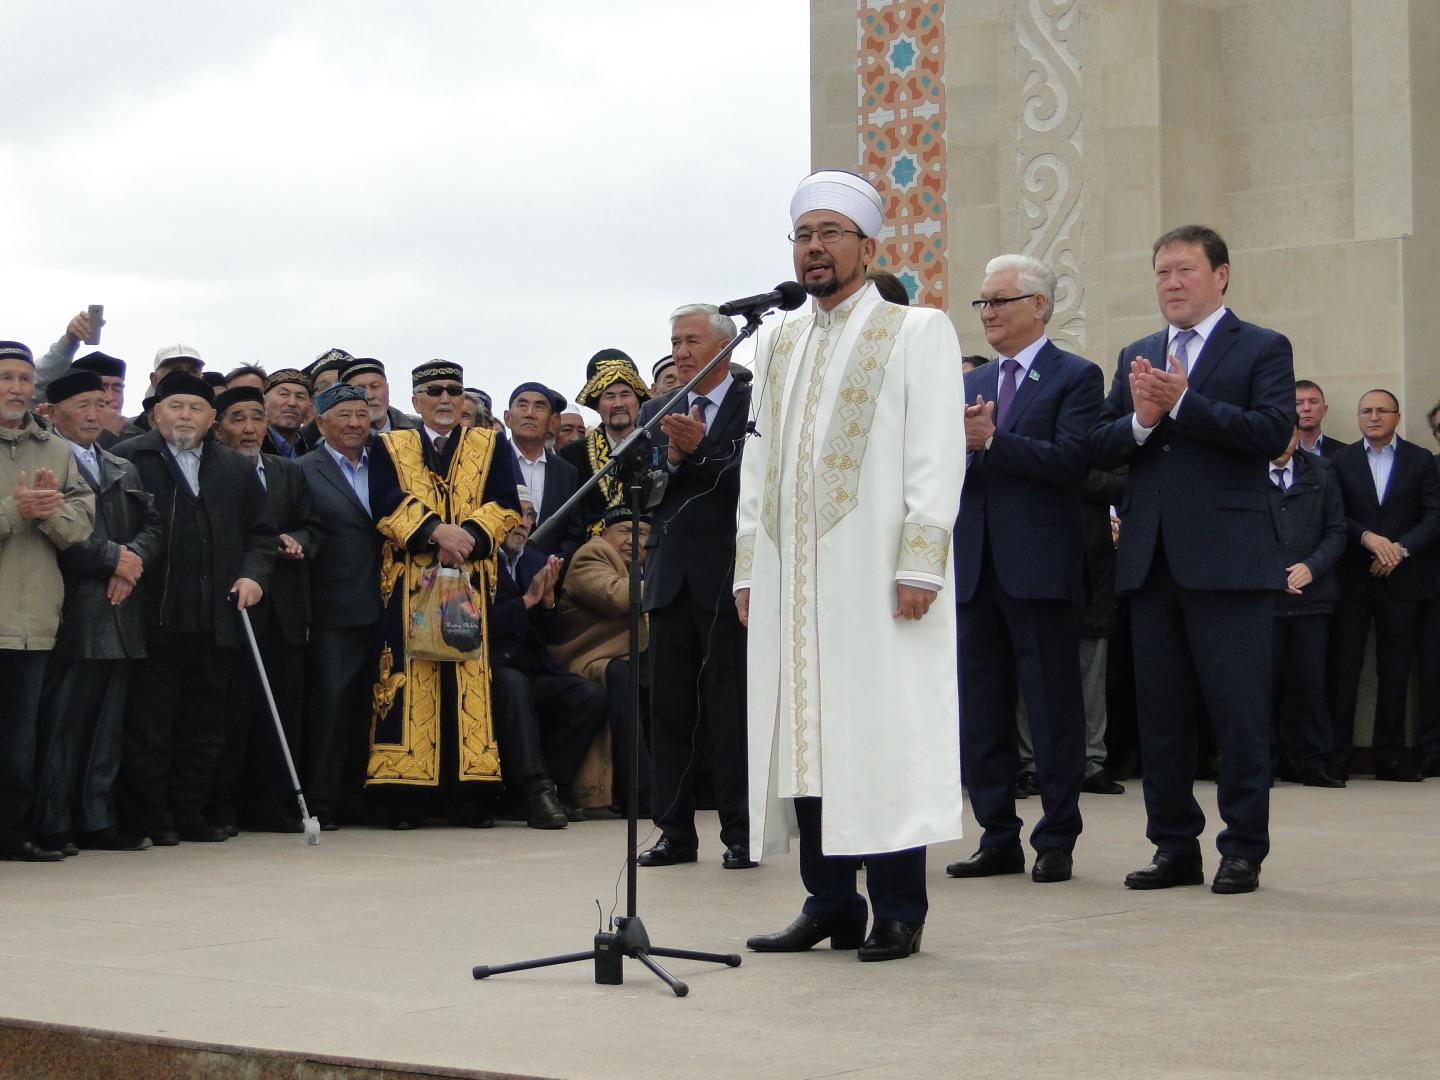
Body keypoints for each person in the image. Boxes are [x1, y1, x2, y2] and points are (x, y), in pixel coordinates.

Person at [737, 170, 966, 963]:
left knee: (880, 734)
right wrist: (747, 569)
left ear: (867, 247)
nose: (815, 248)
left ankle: (901, 906)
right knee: (805, 735)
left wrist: (922, 563)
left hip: (878, 578)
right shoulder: (776, 339)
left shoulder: (917, 330)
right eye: (804, 235)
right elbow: (756, 465)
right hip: (790, 580)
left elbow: (937, 457)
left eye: (831, 233)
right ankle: (830, 902)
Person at [1089, 224, 1294, 895]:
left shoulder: (1261, 347)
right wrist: (1143, 420)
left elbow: (1269, 432)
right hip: (1152, 563)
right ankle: (1173, 845)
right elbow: (1106, 443)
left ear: (1221, 275)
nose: (1172, 284)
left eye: (1185, 270)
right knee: (1163, 715)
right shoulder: (1138, 352)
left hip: (1231, 562)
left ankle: (1242, 848)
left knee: (1237, 713)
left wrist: (1186, 404)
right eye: (1161, 273)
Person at [945, 254, 1102, 886]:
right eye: (983, 302)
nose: (988, 313)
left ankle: (1057, 836)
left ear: (1039, 306)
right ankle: (996, 834)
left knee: (1051, 709)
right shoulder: (967, 387)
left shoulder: (1076, 377)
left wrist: (995, 444)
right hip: (975, 567)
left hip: (1040, 568)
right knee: (982, 711)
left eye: (1001, 301)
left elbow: (1074, 461)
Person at [110, 371, 276, 846]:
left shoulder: (234, 468)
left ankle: (190, 811)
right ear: (156, 412)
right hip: (154, 617)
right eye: (176, 406)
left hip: (217, 617)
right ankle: (149, 815)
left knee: (205, 726)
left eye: (196, 408)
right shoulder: (129, 459)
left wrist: (253, 574)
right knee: (150, 726)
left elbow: (262, 536)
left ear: (211, 420)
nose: (185, 415)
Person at [365, 361, 521, 828]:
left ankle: (470, 797)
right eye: (434, 391)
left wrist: (468, 535)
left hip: (470, 580)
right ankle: (404, 797)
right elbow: (385, 502)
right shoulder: (389, 445)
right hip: (410, 583)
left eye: (454, 390)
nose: (446, 399)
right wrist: (435, 532)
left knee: (469, 678)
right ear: (415, 401)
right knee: (410, 680)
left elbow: (506, 505)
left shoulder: (491, 443)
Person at [635, 303, 754, 871]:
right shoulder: (658, 408)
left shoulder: (755, 402)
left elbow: (751, 477)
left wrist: (695, 451)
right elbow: (642, 491)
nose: (680, 352)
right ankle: (674, 831)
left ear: (725, 347)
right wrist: (671, 457)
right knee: (670, 709)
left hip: (731, 575)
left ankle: (741, 830)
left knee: (730, 709)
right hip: (669, 576)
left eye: (691, 341)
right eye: (675, 342)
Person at [34, 370, 162, 854]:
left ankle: (97, 817)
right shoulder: (46, 459)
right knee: (62, 725)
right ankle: (53, 819)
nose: (94, 413)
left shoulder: (120, 464)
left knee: (109, 725)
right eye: (82, 404)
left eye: (100, 403)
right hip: (74, 608)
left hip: (122, 609)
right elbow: (57, 533)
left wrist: (133, 560)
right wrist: (114, 559)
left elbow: (154, 526)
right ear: (54, 411)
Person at [209, 386, 321, 832]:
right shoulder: (215, 472)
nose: (250, 428)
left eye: (257, 417)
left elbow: (314, 528)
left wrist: (299, 542)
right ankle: (222, 804)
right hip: (235, 606)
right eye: (239, 418)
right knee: (233, 712)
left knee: (283, 710)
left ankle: (272, 804)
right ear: (219, 428)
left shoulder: (287, 472)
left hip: (286, 610)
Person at [0, 342, 96, 862]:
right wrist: (15, 511)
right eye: (5, 377)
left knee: (21, 740)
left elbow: (82, 518)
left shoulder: (55, 450)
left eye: (22, 378)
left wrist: (48, 514)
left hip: (33, 618)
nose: (15, 388)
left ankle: (13, 833)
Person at [1328, 389, 1440, 781]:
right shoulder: (1340, 461)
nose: (1373, 417)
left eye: (1381, 411)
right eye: (1366, 411)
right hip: (1353, 580)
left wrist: (1399, 550)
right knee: (1345, 670)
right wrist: (1369, 540)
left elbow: (1434, 515)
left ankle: (1389, 757)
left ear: (1396, 416)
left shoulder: (1420, 460)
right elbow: (1335, 514)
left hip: (1405, 581)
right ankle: (1338, 756)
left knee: (1394, 672)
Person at [489, 488, 607, 827]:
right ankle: (534, 788)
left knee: (589, 696)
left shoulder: (535, 560)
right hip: (491, 667)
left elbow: (552, 635)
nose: (523, 523)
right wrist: (526, 600)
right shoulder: (481, 559)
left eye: (529, 516)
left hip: (533, 666)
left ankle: (552, 783)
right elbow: (477, 623)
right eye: (516, 512)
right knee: (512, 685)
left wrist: (548, 602)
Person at [299, 382, 382, 829]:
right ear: (321, 421)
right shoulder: (302, 470)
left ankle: (362, 795)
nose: (354, 423)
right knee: (331, 706)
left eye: (361, 414)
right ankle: (323, 799)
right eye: (343, 415)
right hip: (332, 606)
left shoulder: (386, 463)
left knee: (374, 707)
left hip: (388, 603)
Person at [550, 504, 654, 814]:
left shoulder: (649, 566)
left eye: (643, 534)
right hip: (589, 659)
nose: (633, 540)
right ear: (604, 533)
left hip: (633, 656)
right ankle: (640, 792)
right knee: (622, 675)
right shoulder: (590, 555)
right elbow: (615, 595)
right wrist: (670, 586)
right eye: (624, 531)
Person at [1267, 425, 1346, 787]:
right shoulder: (1244, 472)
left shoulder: (1322, 471)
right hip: (1263, 598)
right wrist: (1271, 574)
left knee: (1312, 683)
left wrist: (1310, 568)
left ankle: (1314, 760)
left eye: (1288, 432)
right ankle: (1262, 761)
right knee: (1261, 685)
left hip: (1313, 597)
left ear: (1298, 435)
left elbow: (1336, 531)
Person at [560, 350, 652, 538]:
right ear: (598, 406)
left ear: (638, 401)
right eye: (609, 396)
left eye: (625, 394)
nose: (618, 403)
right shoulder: (572, 455)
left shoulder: (660, 447)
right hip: (596, 556)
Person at [504, 382, 581, 558]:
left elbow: (574, 533)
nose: (529, 414)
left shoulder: (566, 472)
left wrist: (552, 570)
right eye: (522, 405)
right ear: (508, 418)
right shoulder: (489, 462)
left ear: (552, 423)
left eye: (539, 407)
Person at [69, 352, 142, 449]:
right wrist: (106, 434)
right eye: (102, 389)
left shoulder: (141, 437)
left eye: (117, 389)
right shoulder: (59, 434)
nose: (110, 397)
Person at [341, 357, 419, 434]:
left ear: (387, 389)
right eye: (360, 389)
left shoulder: (419, 429)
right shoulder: (337, 438)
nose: (369, 396)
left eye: (375, 386)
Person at [260, 369, 314, 459]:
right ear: (263, 403)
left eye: (300, 397)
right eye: (284, 394)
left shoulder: (312, 449)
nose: (292, 403)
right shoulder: (252, 446)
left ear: (309, 409)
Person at [1295, 380, 1349, 458]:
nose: (1306, 408)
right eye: (1298, 403)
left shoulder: (1345, 452)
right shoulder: (1278, 452)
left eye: (1313, 402)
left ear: (1324, 410)